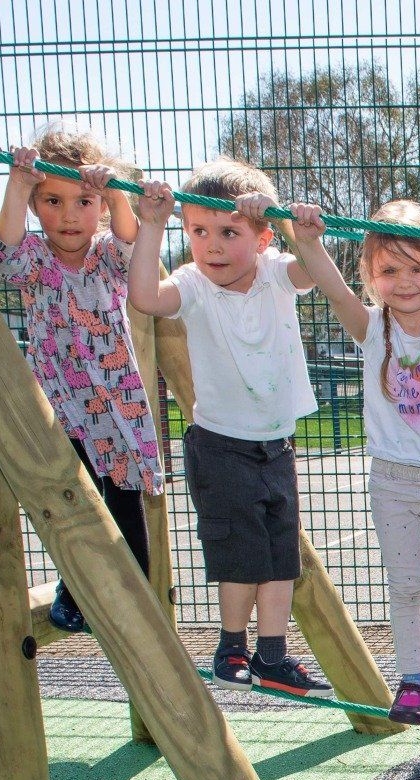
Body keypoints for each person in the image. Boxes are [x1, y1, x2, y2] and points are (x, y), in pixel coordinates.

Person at [286, 198, 420, 731]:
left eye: (418, 268)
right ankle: (411, 679)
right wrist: (305, 238)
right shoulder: (371, 327)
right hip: (392, 482)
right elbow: (330, 285)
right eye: (389, 270)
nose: (405, 281)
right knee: (404, 587)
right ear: (372, 278)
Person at [128, 159, 332, 698]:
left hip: (275, 444)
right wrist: (151, 224)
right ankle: (231, 646)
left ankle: (273, 655)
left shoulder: (275, 272)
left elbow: (313, 271)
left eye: (228, 232)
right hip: (219, 444)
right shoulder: (193, 283)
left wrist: (294, 222)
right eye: (198, 231)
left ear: (262, 237)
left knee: (281, 559)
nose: (212, 245)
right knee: (241, 553)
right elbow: (146, 299)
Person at [0, 127, 159, 635]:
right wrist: (18, 184)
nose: (68, 215)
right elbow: (4, 251)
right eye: (52, 201)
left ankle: (137, 589)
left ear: (101, 208)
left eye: (83, 202)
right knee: (72, 496)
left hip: (115, 399)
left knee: (124, 495)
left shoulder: (106, 253)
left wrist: (115, 192)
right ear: (38, 207)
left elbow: (133, 245)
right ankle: (74, 589)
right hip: (62, 403)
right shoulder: (37, 261)